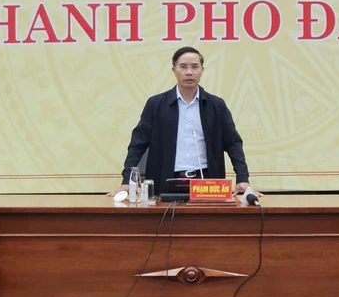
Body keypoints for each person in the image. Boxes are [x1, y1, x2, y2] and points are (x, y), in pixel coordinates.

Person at [110, 46, 259, 197]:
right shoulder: (156, 104)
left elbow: (233, 143)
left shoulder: (216, 105)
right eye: (183, 67)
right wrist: (127, 181)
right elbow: (137, 144)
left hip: (207, 183)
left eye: (194, 67)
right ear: (173, 70)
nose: (189, 72)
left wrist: (242, 178)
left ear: (202, 70)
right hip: (165, 182)